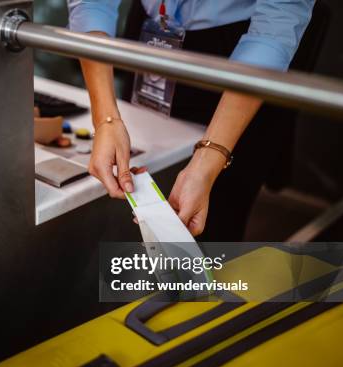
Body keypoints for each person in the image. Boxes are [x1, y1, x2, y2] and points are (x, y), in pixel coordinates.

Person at [67, 0, 315, 239]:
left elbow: (276, 25)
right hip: (151, 34)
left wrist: (208, 162)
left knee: (215, 220)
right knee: (137, 203)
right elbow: (92, 4)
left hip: (243, 57)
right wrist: (106, 119)